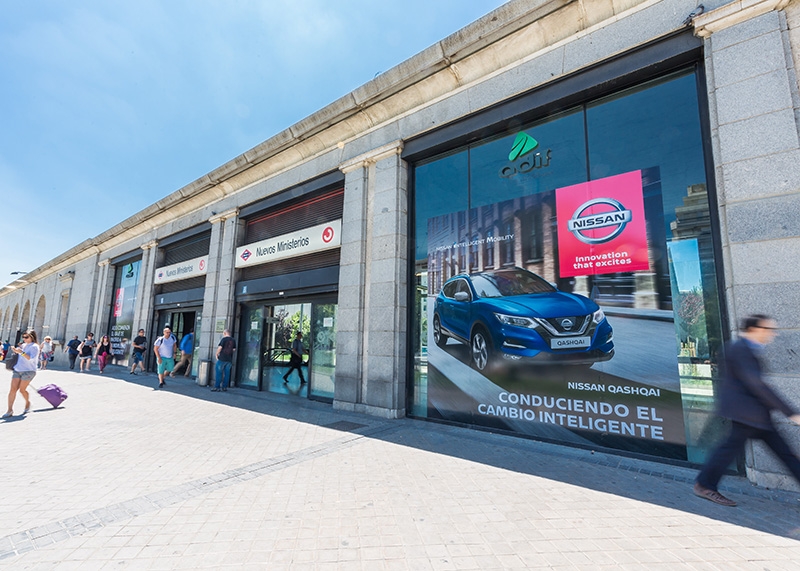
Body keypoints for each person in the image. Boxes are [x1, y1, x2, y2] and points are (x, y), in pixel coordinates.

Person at [694, 314, 800, 507]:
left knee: (782, 453)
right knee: (780, 453)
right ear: (754, 330)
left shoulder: (745, 349)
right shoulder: (740, 350)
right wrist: (789, 412)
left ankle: (704, 484)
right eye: (768, 329)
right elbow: (756, 384)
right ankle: (704, 484)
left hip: (753, 415)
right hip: (748, 415)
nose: (772, 334)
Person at [4, 330, 40, 418]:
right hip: (18, 369)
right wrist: (16, 351)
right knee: (12, 389)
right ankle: (9, 410)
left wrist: (21, 352)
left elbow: (30, 358)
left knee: (22, 390)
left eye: (26, 337)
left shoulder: (35, 347)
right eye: (23, 337)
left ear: (32, 337)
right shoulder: (24, 345)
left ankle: (28, 403)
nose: (24, 339)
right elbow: (21, 356)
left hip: (29, 371)